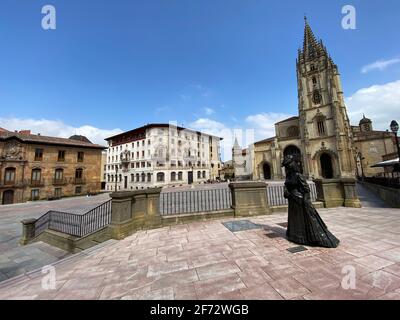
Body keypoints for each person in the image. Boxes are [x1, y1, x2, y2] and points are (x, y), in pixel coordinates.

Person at [282, 155, 340, 248]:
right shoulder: (289, 175)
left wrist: (306, 201)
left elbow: (306, 189)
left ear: (292, 164)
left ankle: (308, 238)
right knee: (295, 220)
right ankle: (295, 236)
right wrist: (286, 191)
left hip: (299, 200)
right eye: (285, 165)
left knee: (306, 220)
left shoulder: (298, 175)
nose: (286, 167)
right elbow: (286, 185)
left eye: (287, 165)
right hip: (292, 200)